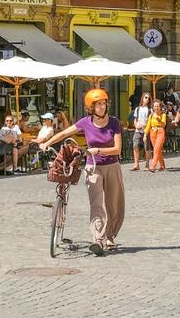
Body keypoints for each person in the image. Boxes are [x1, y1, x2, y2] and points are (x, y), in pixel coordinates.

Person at [38, 89, 125, 256]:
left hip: (112, 166)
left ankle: (110, 236)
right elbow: (64, 133)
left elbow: (117, 149)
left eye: (104, 103)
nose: (102, 106)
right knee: (96, 203)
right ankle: (98, 239)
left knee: (113, 205)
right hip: (93, 168)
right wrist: (47, 143)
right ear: (91, 108)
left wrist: (98, 150)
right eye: (98, 104)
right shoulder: (85, 122)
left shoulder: (114, 123)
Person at [129, 92, 153, 171]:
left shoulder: (150, 110)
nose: (147, 99)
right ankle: (136, 164)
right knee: (135, 146)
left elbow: (151, 120)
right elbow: (135, 119)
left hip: (146, 131)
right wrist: (136, 125)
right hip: (138, 130)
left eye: (148, 98)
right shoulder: (138, 108)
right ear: (142, 98)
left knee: (147, 148)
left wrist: (146, 125)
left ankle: (147, 164)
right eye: (146, 97)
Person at [145, 102, 170, 171]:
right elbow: (148, 125)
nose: (156, 108)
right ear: (153, 107)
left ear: (160, 107)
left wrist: (159, 120)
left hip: (160, 132)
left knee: (156, 149)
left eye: (157, 106)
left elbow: (163, 124)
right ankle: (162, 165)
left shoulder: (163, 114)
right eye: (155, 106)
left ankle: (153, 165)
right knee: (158, 150)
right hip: (152, 132)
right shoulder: (151, 115)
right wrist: (145, 134)